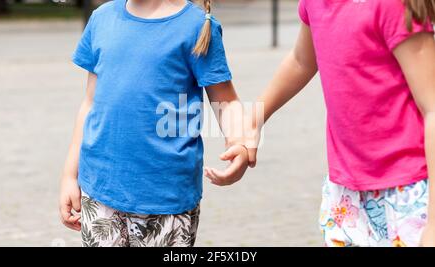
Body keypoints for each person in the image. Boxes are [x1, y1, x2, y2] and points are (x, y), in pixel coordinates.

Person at [242, 0, 435, 247]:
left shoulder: (391, 4)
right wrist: (255, 118)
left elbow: (432, 108)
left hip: (409, 191)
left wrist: (433, 225)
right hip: (345, 192)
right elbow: (301, 60)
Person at [59, 0, 248, 247]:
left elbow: (228, 101)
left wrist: (241, 143)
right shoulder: (102, 18)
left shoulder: (197, 26)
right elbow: (89, 104)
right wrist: (69, 176)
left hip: (167, 198)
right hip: (99, 191)